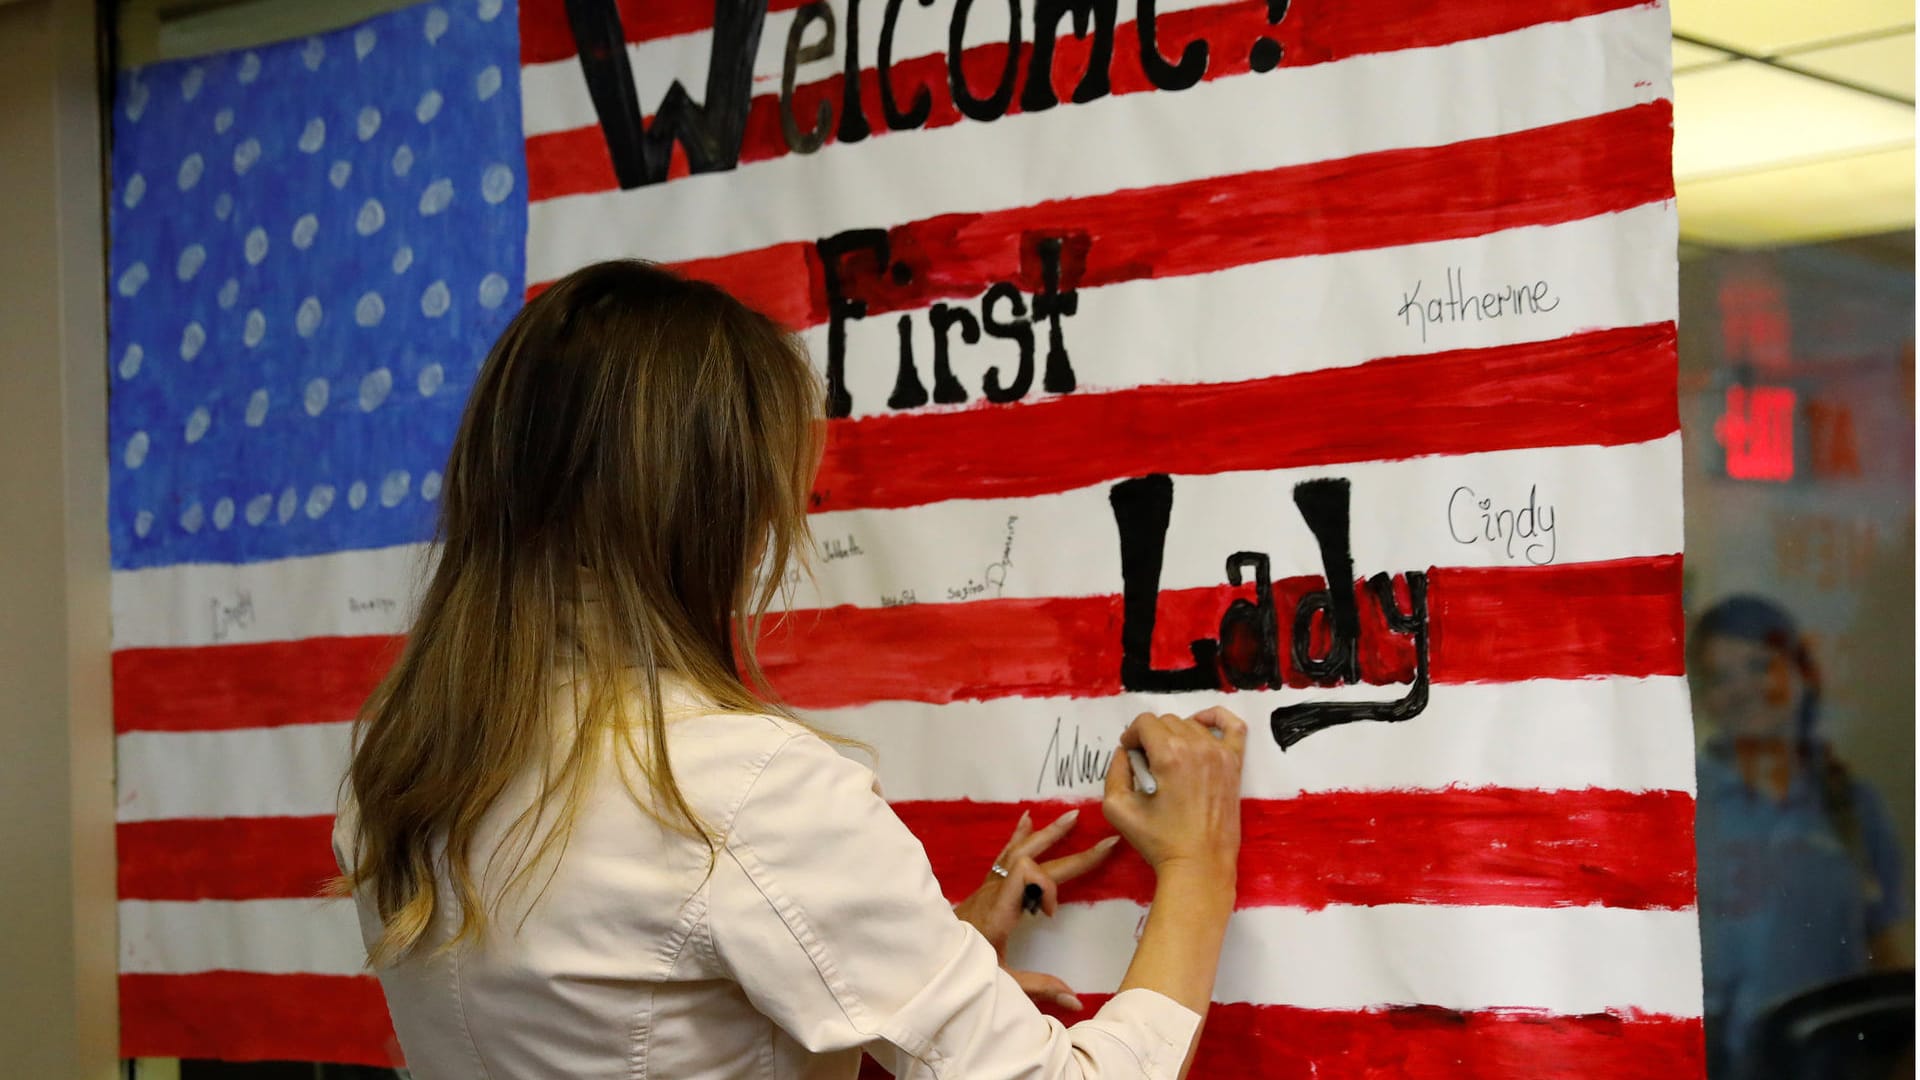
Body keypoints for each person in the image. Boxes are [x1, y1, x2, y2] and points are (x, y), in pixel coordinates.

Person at [330, 260, 1248, 1079]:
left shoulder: (403, 765)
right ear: (710, 513)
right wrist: (1200, 867)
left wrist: (927, 949)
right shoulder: (741, 790)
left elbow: (624, 997)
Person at [1690, 594, 1905, 1078]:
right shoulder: (1682, 805)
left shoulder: (1854, 806)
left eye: (1760, 665)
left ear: (1801, 671)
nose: (1743, 688)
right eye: (1721, 677)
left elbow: (1891, 955)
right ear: (1705, 698)